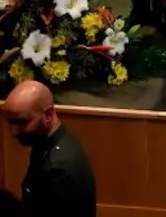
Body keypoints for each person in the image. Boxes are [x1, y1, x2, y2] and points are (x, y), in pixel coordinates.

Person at [2, 81, 97, 217]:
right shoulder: (54, 139)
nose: (14, 132)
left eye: (22, 122)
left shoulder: (59, 171)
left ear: (48, 115)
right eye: (10, 123)